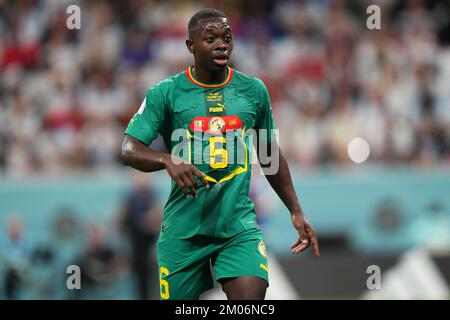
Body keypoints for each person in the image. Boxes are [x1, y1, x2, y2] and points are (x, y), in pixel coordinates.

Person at [121, 8, 320, 300]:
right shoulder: (165, 93)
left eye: (226, 37)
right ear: (190, 46)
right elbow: (128, 149)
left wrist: (296, 209)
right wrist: (167, 160)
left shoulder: (253, 91)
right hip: (183, 231)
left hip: (237, 227)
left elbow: (268, 153)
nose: (221, 44)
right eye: (210, 38)